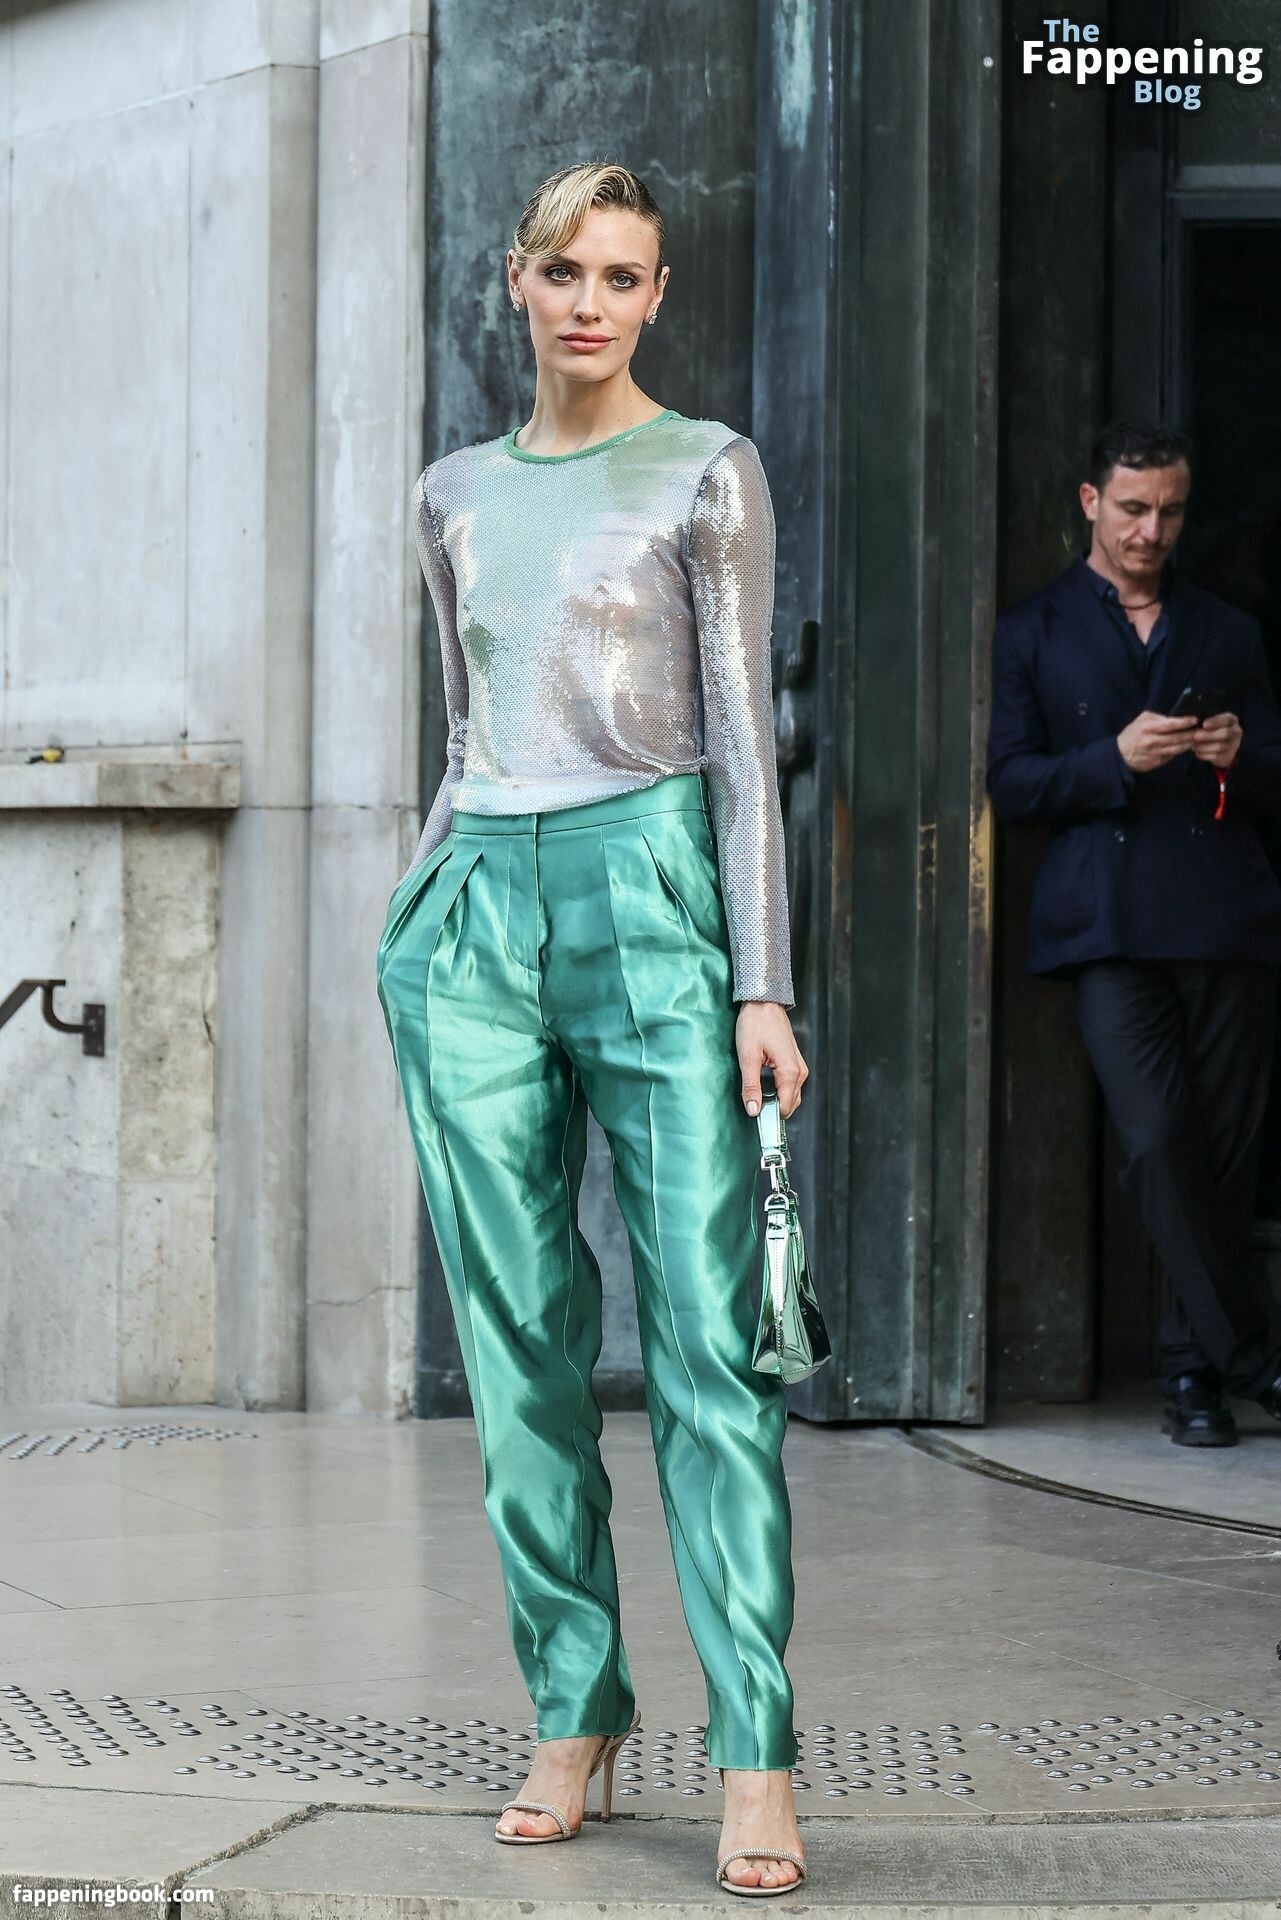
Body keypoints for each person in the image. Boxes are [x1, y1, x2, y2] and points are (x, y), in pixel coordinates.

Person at [376, 162, 809, 1894]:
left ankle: (755, 1748)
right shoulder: (452, 493)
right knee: (515, 1341)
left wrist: (763, 984)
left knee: (711, 1343)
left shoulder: (705, 470)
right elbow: (465, 722)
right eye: (563, 271)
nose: (588, 304)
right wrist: (412, 919)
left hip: (653, 897)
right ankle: (576, 1706)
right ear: (517, 281)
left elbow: (742, 746)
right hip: (474, 907)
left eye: (620, 277)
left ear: (655, 295)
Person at [987, 421, 1281, 1447]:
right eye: (1132, 509)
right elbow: (1013, 785)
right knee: (1159, 1143)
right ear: (1090, 503)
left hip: (1228, 919)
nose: (1151, 531)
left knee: (1224, 1166)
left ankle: (1193, 1377)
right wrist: (1112, 758)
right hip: (1106, 927)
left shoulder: (1226, 631)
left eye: (1169, 512)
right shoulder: (1031, 630)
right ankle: (1254, 1358)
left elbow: (1277, 774)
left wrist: (1239, 754)